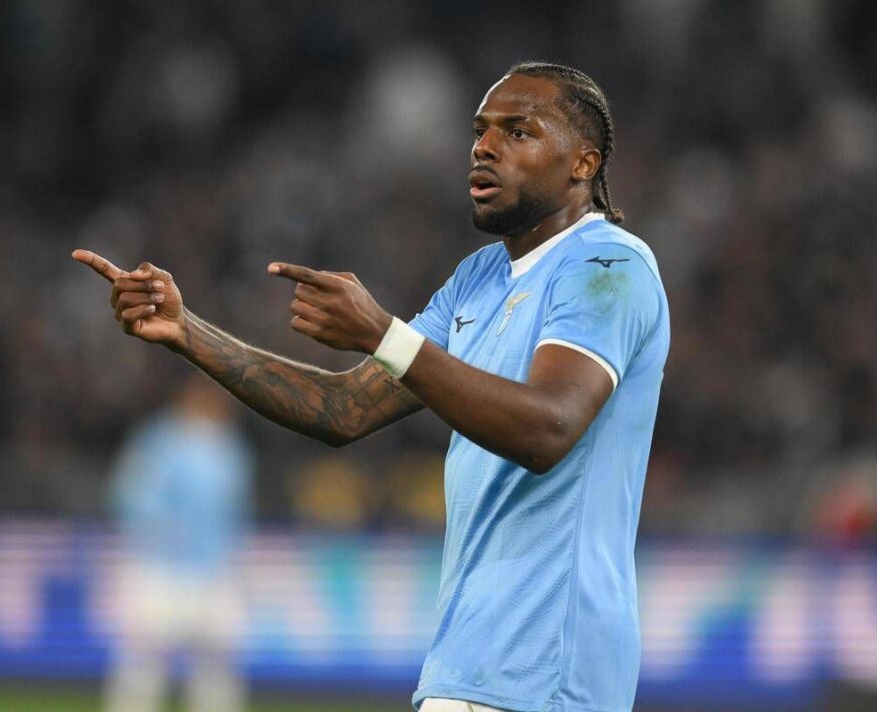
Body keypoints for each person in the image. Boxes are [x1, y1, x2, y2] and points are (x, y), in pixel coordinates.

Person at [75, 61, 670, 712]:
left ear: (583, 164)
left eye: (518, 131)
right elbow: (343, 408)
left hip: (550, 671)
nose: (485, 146)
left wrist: (385, 334)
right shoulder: (478, 278)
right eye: (480, 130)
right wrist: (188, 332)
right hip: (466, 668)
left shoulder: (609, 265)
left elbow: (548, 428)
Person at [103, 374, 253, 712]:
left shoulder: (230, 446)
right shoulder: (160, 440)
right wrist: (164, 532)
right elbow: (131, 496)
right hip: (160, 568)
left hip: (214, 569)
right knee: (143, 663)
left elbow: (235, 510)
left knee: (217, 667)